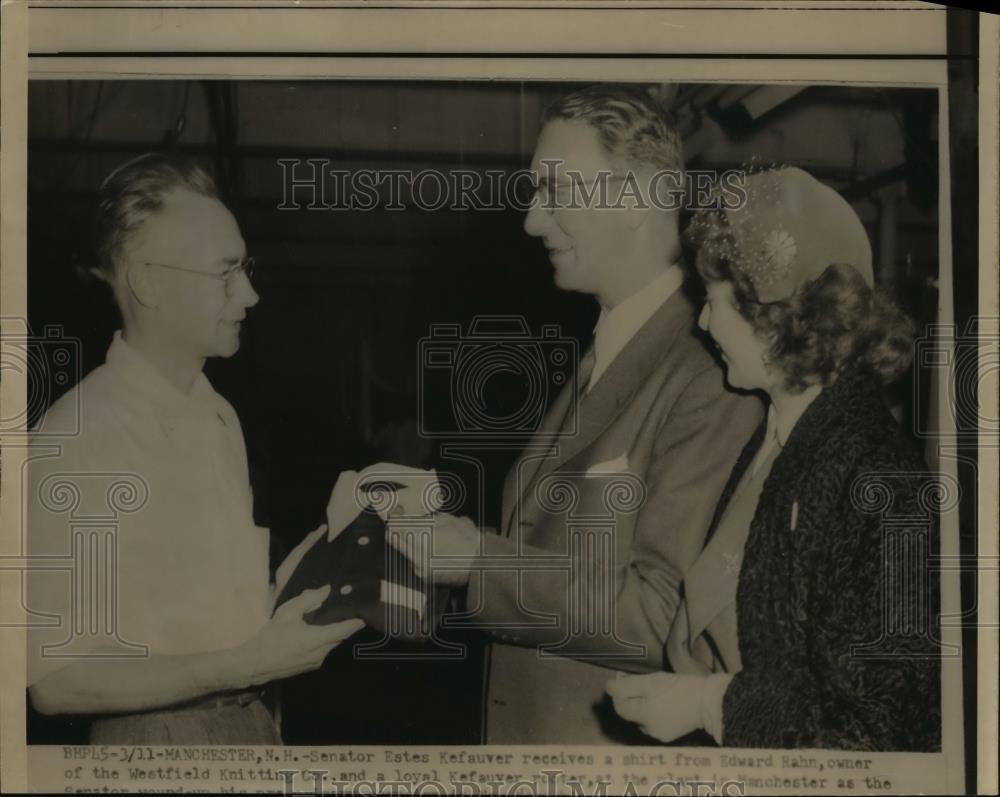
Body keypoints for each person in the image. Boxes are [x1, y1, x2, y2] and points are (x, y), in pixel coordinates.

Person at [391, 85, 762, 744]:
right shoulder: (604, 350)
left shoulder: (709, 372)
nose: (533, 221)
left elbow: (663, 614)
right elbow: (549, 552)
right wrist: (439, 545)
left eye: (556, 193)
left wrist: (477, 559)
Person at [25, 153, 364, 744]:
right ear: (149, 282)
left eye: (246, 268)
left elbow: (207, 620)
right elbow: (57, 681)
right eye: (226, 272)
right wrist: (250, 665)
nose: (252, 295)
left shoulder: (217, 416)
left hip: (249, 727)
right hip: (156, 745)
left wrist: (303, 575)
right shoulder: (79, 435)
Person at [606, 165, 941, 751]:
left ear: (778, 321)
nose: (704, 323)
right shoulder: (777, 439)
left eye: (713, 303)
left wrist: (710, 706)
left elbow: (884, 727)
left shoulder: (883, 481)